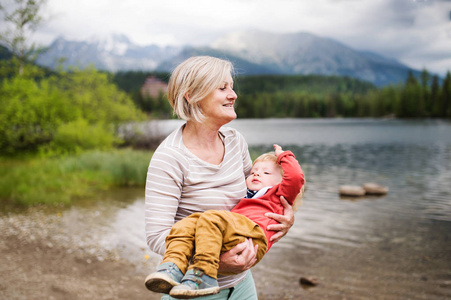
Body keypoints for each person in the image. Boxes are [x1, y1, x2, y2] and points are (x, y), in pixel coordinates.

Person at [145, 56, 295, 300]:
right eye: (222, 88)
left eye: (232, 86)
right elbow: (157, 236)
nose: (233, 94)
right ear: (192, 95)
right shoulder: (169, 158)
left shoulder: (235, 141)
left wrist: (282, 219)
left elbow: (257, 195)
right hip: (192, 291)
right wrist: (214, 261)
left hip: (242, 286)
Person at [145, 144, 305, 299]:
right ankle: (173, 267)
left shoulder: (277, 194)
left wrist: (284, 156)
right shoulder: (248, 191)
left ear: (281, 182)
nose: (256, 174)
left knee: (211, 217)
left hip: (253, 238)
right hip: (234, 233)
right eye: (254, 172)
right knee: (190, 222)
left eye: (266, 173)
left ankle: (203, 274)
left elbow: (296, 177)